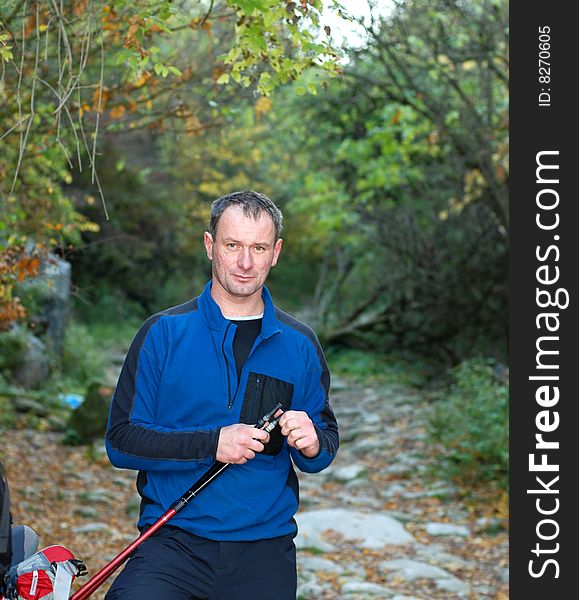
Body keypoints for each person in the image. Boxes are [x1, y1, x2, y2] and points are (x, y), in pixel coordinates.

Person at [104, 190, 339, 599]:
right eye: (233, 245)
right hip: (172, 544)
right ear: (210, 245)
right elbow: (121, 442)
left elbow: (325, 440)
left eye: (258, 248)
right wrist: (213, 443)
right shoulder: (162, 333)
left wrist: (314, 443)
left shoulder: (301, 344)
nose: (246, 262)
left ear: (275, 252)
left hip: (265, 551)